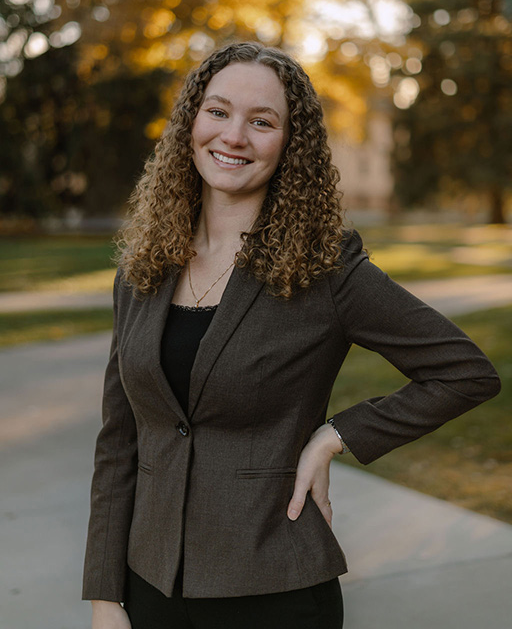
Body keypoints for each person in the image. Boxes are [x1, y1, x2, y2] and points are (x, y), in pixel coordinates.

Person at [82, 41, 501, 629]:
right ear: (190, 123)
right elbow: (118, 440)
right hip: (148, 588)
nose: (234, 137)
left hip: (274, 590)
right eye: (218, 111)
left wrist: (333, 436)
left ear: (289, 146)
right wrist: (105, 596)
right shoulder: (143, 268)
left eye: (262, 122)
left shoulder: (324, 271)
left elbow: (466, 373)